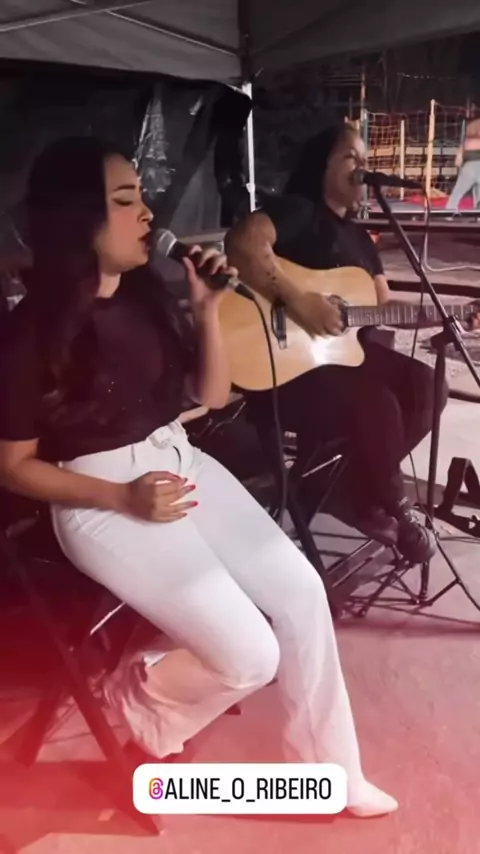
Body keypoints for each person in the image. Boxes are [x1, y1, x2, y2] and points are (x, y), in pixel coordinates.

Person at [0, 136, 397, 817]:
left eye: (141, 196)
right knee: (252, 656)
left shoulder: (144, 297)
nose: (147, 213)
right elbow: (13, 467)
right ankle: (137, 696)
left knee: (303, 592)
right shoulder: (30, 332)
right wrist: (120, 495)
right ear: (78, 218)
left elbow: (210, 397)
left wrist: (208, 308)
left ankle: (331, 772)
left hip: (177, 459)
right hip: (96, 494)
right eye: (125, 200)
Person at [226, 121, 447, 563]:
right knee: (376, 402)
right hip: (285, 370)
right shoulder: (297, 211)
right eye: (350, 157)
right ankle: (392, 504)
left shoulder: (361, 239)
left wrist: (440, 314)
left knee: (426, 385)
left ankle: (355, 496)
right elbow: (243, 242)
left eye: (365, 160)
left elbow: (382, 305)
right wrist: (299, 301)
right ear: (321, 165)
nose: (362, 167)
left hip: (338, 364)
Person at [447, 118, 480, 213]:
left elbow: (459, 158)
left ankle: (449, 211)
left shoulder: (467, 141)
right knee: (478, 194)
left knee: (457, 193)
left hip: (468, 167)